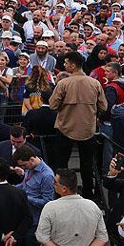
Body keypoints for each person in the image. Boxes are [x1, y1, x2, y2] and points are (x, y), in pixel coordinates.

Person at [49, 51, 107, 199]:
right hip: (88, 129)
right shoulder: (95, 83)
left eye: (66, 63)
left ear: (73, 65)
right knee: (87, 166)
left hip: (65, 128)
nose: (64, 65)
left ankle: (60, 193)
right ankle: (89, 194)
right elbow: (103, 106)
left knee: (61, 164)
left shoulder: (63, 83)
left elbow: (53, 105)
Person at [35, 168, 108, 246]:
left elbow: (42, 237)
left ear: (64, 189)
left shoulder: (50, 208)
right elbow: (102, 238)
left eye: (55, 183)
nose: (53, 185)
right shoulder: (93, 207)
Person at [12, 145, 56, 246]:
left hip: (36, 221)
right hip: (26, 217)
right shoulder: (30, 169)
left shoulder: (47, 176)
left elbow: (48, 201)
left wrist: (25, 197)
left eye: (24, 165)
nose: (24, 168)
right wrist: (13, 188)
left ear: (31, 159)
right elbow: (25, 185)